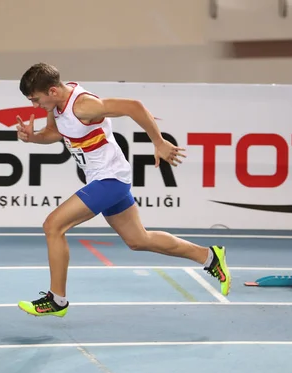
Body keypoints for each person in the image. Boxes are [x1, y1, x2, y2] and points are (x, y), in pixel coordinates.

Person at [15, 62, 230, 317]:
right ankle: (209, 257)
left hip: (110, 179)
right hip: (103, 178)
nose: (34, 106)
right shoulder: (58, 106)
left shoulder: (83, 105)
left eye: (35, 99)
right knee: (139, 240)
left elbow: (133, 106)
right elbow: (53, 132)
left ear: (51, 91)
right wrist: (33, 137)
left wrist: (159, 142)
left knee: (53, 226)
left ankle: (56, 300)